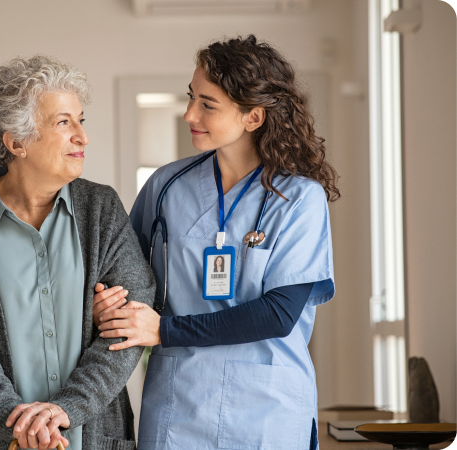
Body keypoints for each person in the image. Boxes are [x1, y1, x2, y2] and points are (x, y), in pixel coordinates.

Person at [93, 35, 338, 450]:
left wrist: (164, 330)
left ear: (253, 117)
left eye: (208, 104)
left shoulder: (298, 199)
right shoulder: (165, 187)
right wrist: (109, 302)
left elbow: (279, 314)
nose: (189, 113)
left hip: (267, 410)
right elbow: (125, 276)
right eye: (192, 97)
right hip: (179, 405)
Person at [0, 55, 155, 450]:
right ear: (16, 142)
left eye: (81, 120)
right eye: (64, 122)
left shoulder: (101, 208)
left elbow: (130, 322)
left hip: (92, 437)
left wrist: (67, 410)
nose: (82, 136)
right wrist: (18, 423)